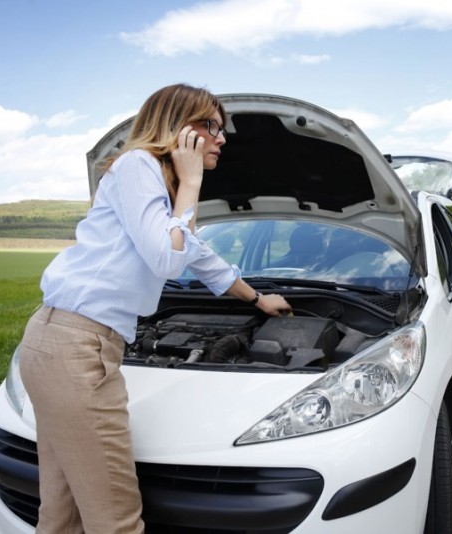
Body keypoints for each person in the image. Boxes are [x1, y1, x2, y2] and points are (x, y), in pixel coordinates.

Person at [18, 83, 291, 533]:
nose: (221, 139)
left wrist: (259, 299)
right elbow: (167, 258)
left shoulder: (154, 188)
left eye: (222, 130)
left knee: (61, 514)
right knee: (116, 521)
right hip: (76, 349)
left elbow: (199, 256)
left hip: (57, 344)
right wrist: (191, 183)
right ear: (175, 128)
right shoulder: (137, 165)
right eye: (210, 126)